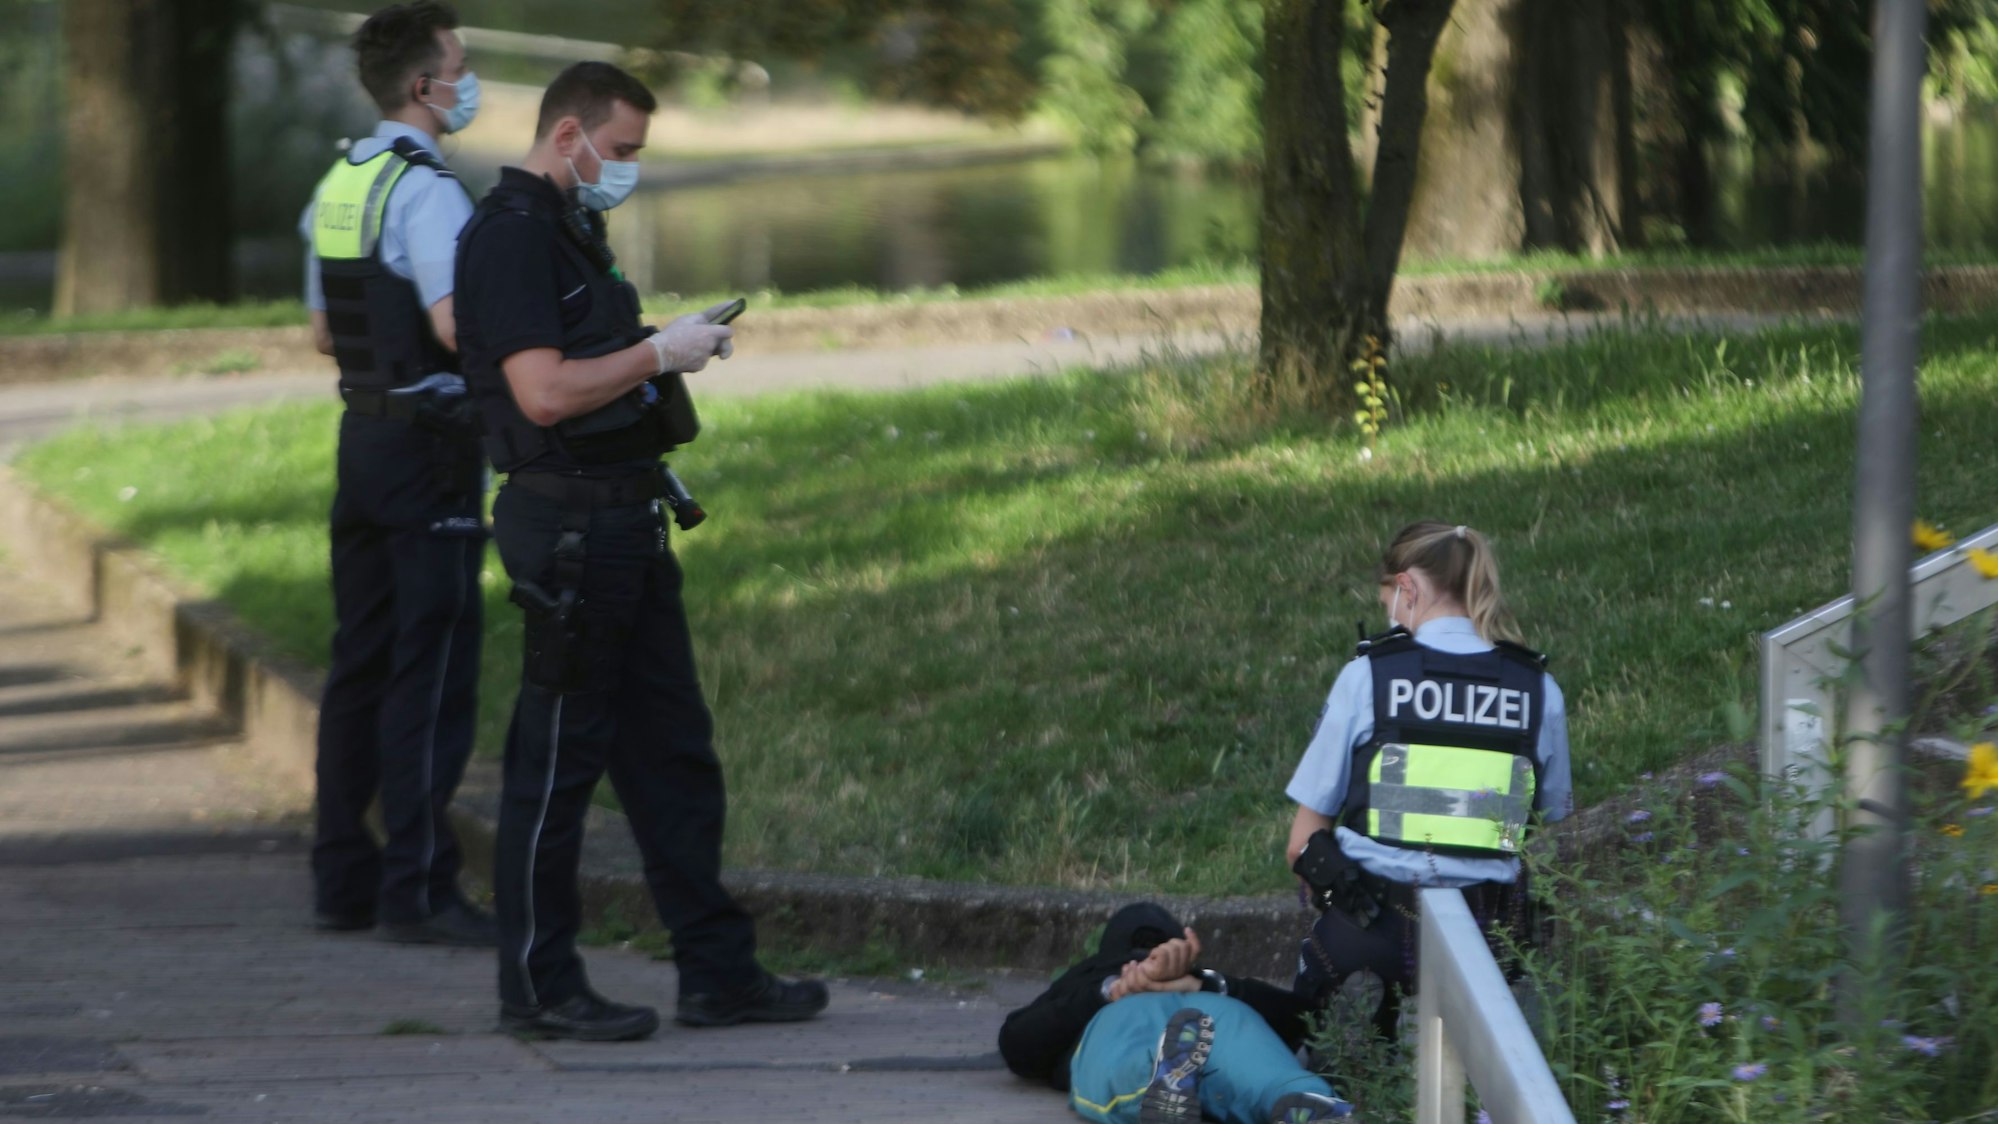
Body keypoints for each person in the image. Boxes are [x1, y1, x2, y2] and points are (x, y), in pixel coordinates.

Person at [452, 60, 826, 1041]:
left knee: (673, 757)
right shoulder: (511, 238)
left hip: (622, 521)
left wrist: (668, 346)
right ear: (567, 134)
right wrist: (660, 355)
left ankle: (718, 971)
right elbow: (541, 391)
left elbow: (592, 368)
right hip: (568, 527)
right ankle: (538, 983)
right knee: (557, 763)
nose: (626, 170)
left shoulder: (573, 229)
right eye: (619, 152)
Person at [301, 1, 493, 946]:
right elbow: (459, 326)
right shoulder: (429, 191)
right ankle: (417, 889)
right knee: (436, 663)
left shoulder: (343, 179)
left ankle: (343, 879)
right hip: (430, 448)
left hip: (362, 441)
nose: (469, 79)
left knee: (361, 661)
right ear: (425, 86)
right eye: (460, 64)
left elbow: (324, 330)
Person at [1284, 521, 1571, 1038]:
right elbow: (1549, 818)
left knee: (1322, 1039)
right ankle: (1459, 1012)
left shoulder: (1368, 676)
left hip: (1374, 920)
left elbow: (1301, 844)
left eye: (1388, 599)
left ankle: (1366, 997)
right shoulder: (1538, 689)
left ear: (1408, 588)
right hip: (1490, 925)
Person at [1000, 903, 1354, 1124]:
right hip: (1201, 1011)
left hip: (1129, 1018)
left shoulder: (1086, 981)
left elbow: (1018, 1044)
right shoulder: (1096, 979)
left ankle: (1162, 1082)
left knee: (1126, 1062)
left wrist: (1195, 982)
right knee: (1259, 1065)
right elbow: (1302, 1018)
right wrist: (1117, 987)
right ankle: (1309, 1100)